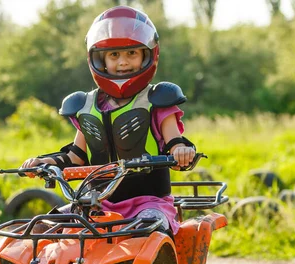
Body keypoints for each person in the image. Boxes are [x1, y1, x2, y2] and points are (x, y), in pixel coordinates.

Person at [21, 5, 196, 236]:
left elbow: (175, 143)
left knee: (148, 229)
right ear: (99, 59)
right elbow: (76, 156)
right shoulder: (85, 106)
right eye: (114, 55)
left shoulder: (158, 101)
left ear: (148, 55)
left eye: (131, 53)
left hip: (148, 203)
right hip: (94, 204)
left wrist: (182, 151)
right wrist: (44, 163)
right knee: (41, 229)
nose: (123, 62)